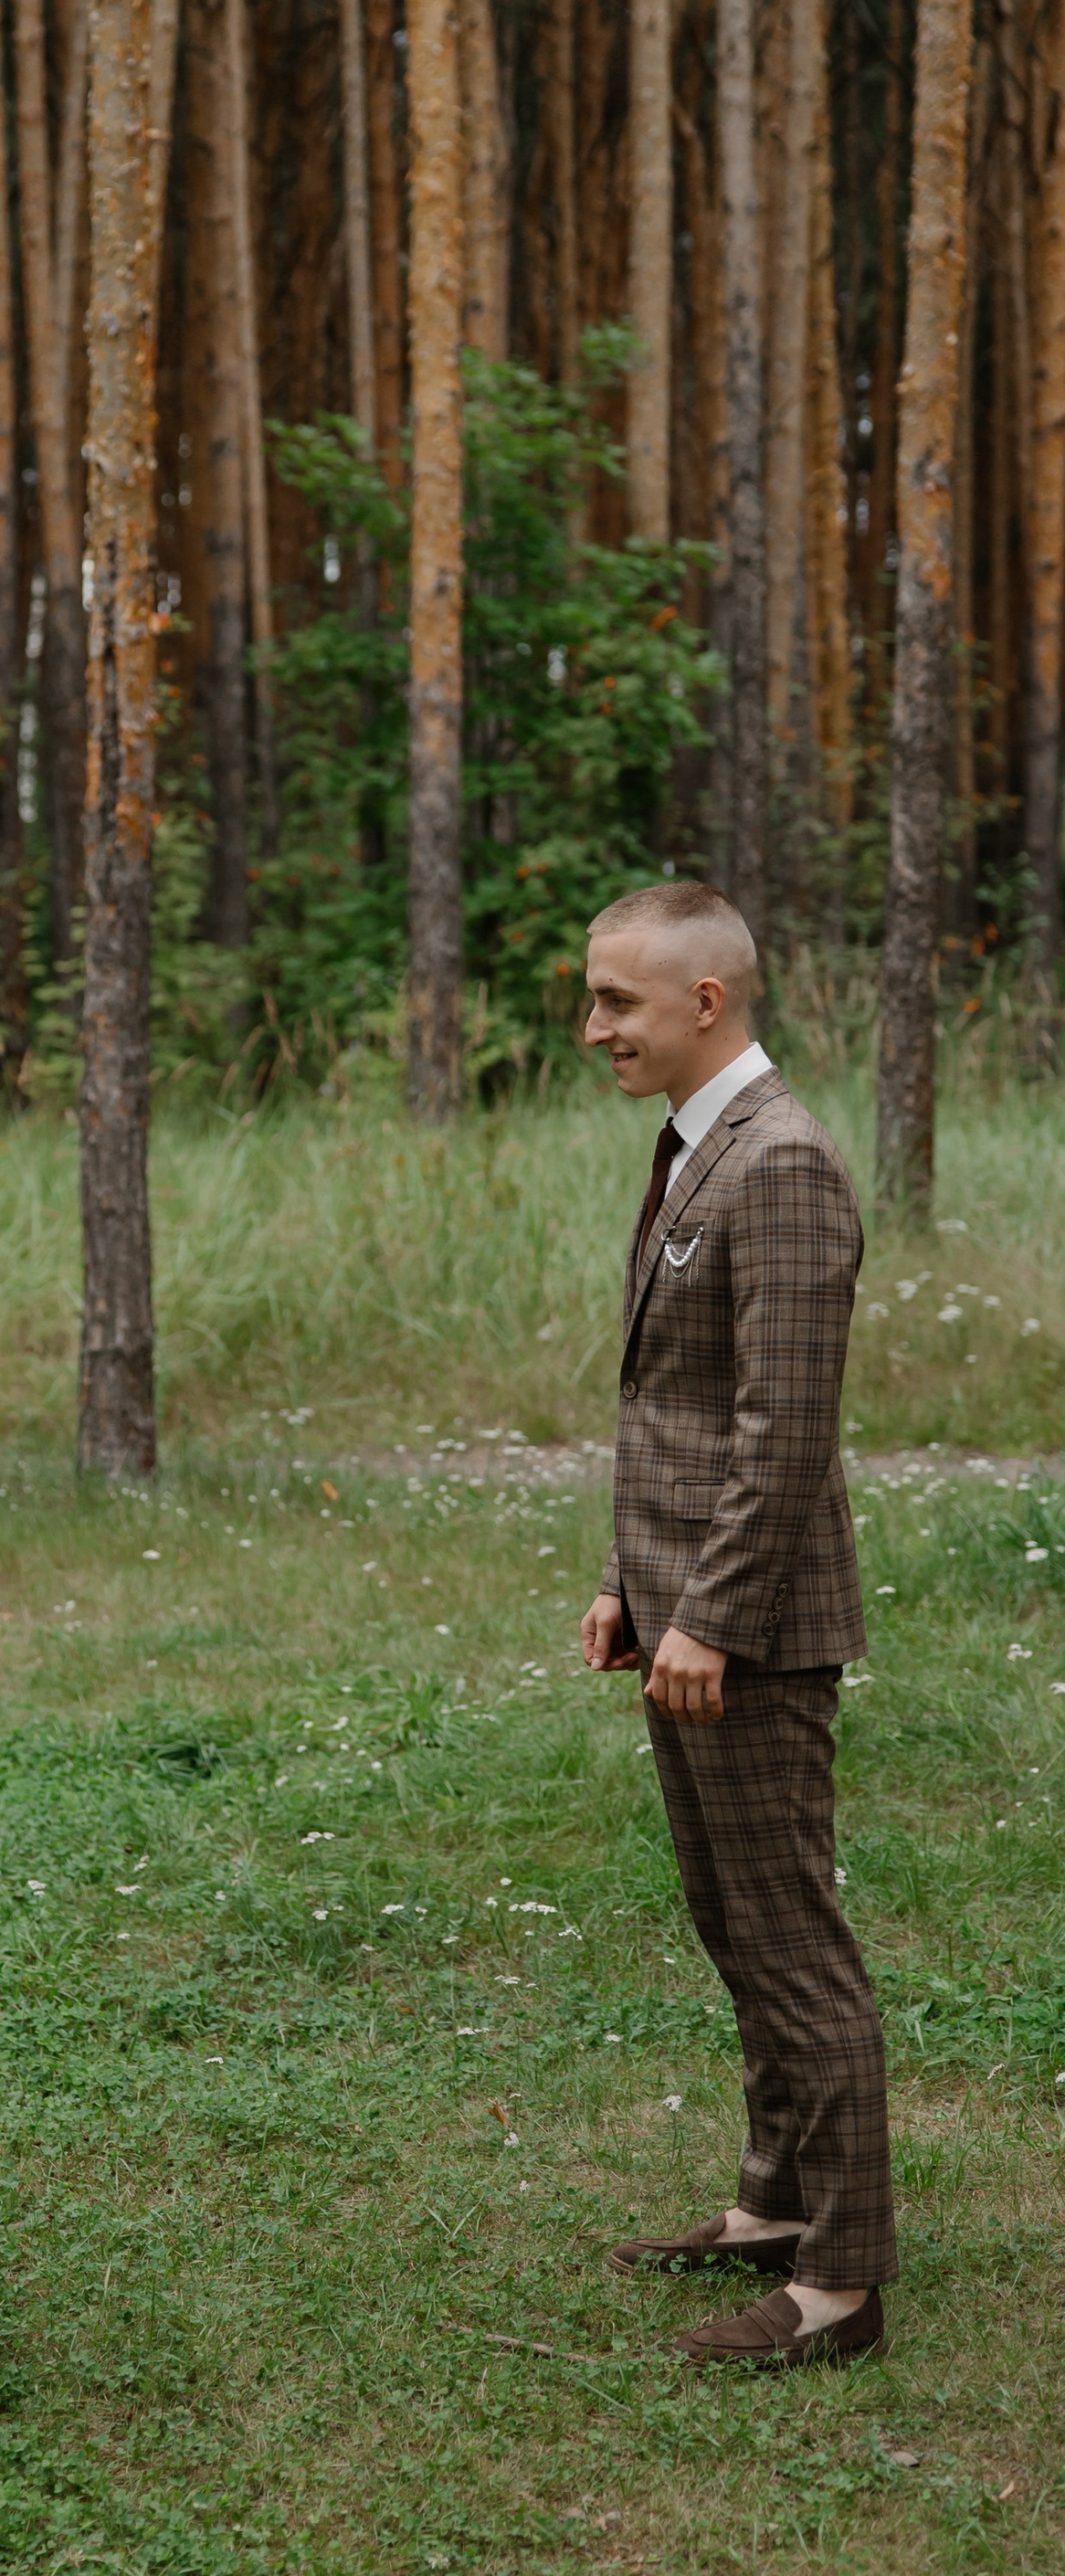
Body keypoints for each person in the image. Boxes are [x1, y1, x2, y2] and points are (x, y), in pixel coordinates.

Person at [577, 877, 892, 2370]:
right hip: (688, 1613)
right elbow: (676, 1407)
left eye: (618, 1003)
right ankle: (773, 2206)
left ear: (708, 1003)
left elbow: (783, 1431)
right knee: (732, 1921)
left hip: (751, 1629)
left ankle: (839, 2283)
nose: (595, 1029)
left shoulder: (782, 1164)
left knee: (793, 1940)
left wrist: (705, 1617)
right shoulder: (697, 1149)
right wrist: (628, 1590)